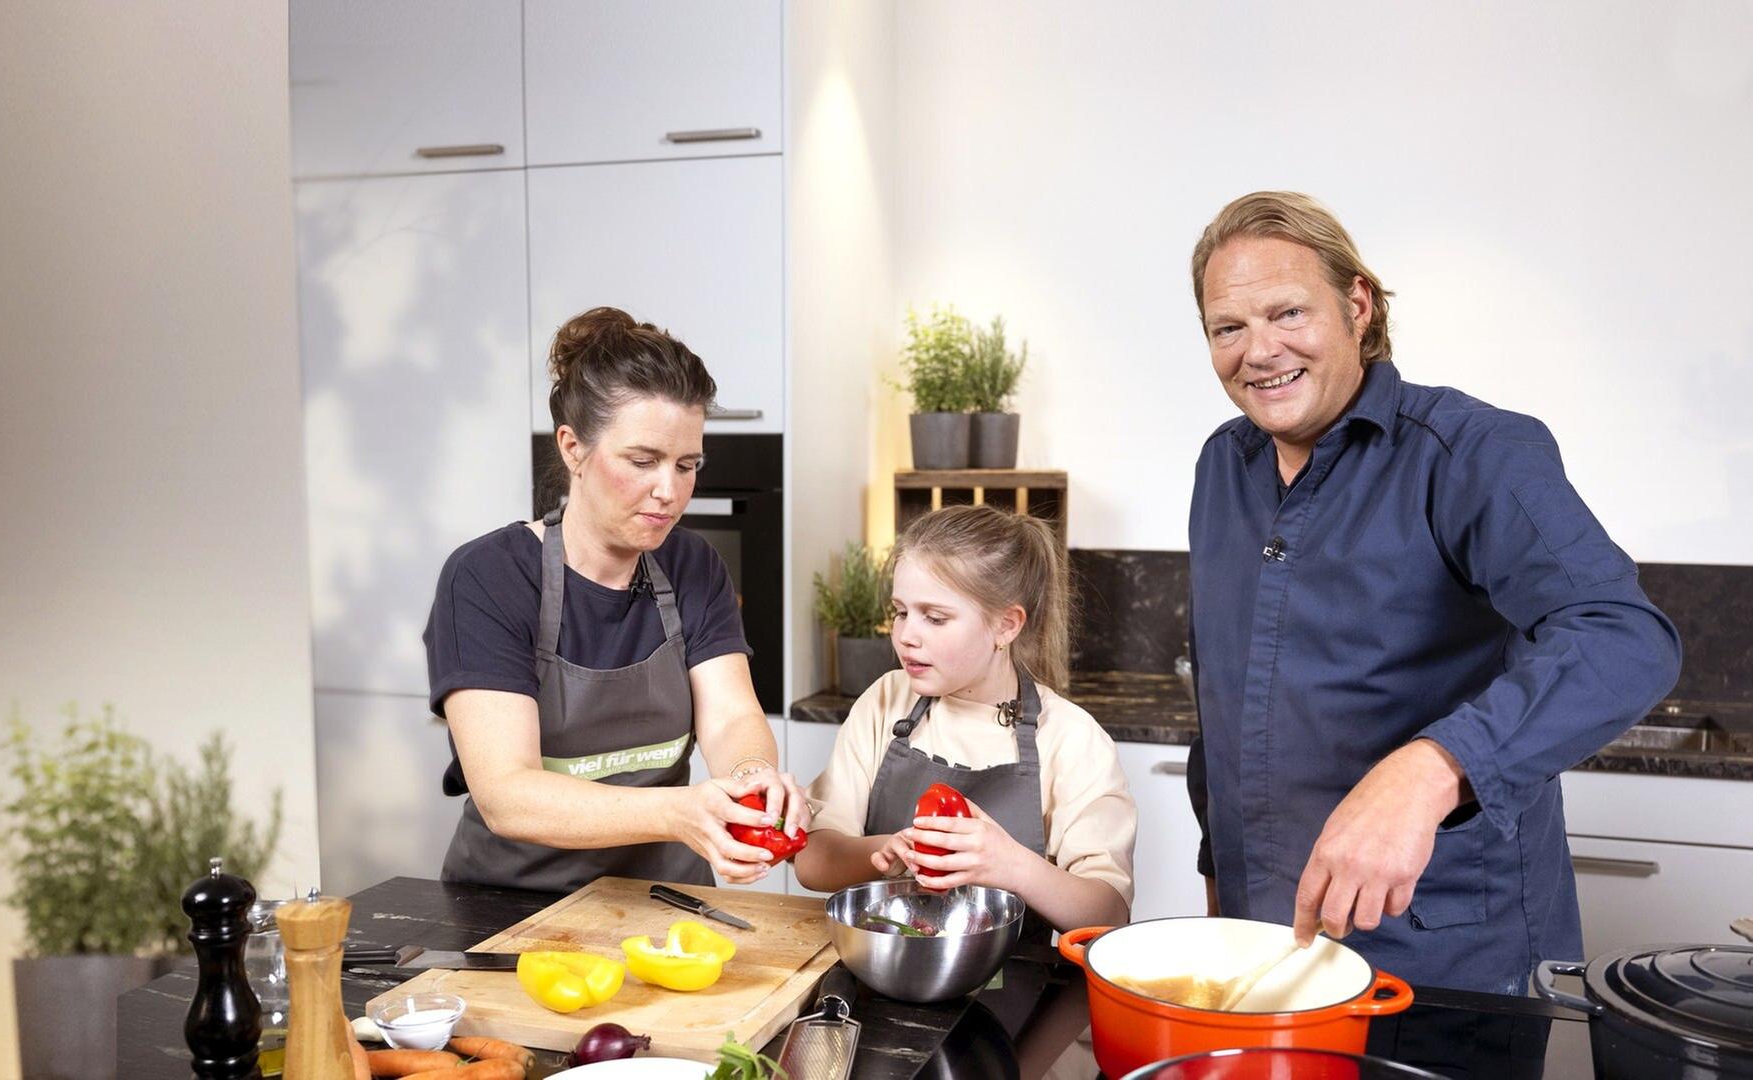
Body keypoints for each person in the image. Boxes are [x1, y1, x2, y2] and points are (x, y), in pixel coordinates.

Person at [1184, 191, 1681, 993]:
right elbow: (1223, 700)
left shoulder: (1472, 454)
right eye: (1228, 328)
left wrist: (1432, 767)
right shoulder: (1222, 467)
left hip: (1449, 958)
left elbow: (1624, 636)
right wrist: (1221, 879)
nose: (1260, 350)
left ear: (1357, 305)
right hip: (1270, 945)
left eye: (1288, 314)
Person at [423, 306, 808, 892]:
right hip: (511, 912)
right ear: (573, 448)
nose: (670, 491)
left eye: (687, 465)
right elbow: (507, 793)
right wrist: (679, 814)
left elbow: (731, 715)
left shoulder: (693, 565)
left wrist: (754, 780)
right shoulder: (488, 577)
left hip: (667, 902)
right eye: (643, 461)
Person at [795, 505, 1136, 933]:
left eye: (935, 617)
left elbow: (1107, 914)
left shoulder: (1070, 737)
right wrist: (885, 851)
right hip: (880, 971)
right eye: (901, 611)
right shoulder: (886, 700)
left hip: (1017, 988)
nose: (906, 635)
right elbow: (812, 863)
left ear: (1006, 626)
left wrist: (1011, 865)